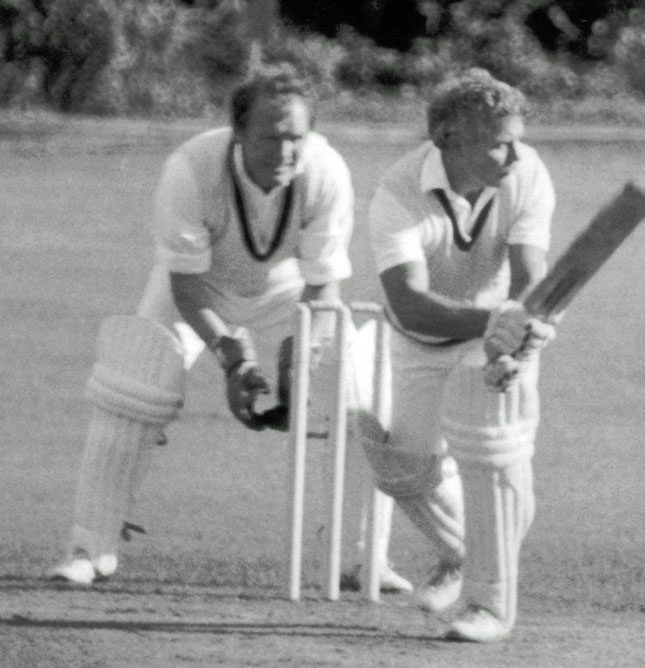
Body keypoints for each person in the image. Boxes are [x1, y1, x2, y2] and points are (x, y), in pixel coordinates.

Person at [51, 62, 411, 594]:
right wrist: (233, 358)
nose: (286, 152)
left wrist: (300, 358)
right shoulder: (192, 169)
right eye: (271, 137)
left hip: (292, 292)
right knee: (133, 383)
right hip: (200, 288)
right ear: (238, 132)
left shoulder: (326, 172)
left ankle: (358, 555)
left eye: (297, 137)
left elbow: (323, 283)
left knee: (360, 395)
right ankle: (90, 546)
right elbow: (187, 283)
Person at [360, 68, 557, 642]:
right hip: (423, 337)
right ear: (448, 137)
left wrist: (525, 330)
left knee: (495, 453)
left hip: (496, 333)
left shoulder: (527, 173)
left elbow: (531, 274)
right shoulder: (397, 193)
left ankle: (488, 606)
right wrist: (497, 320)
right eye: (499, 141)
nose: (515, 153)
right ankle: (461, 559)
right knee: (406, 469)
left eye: (517, 137)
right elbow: (411, 302)